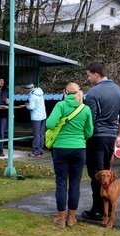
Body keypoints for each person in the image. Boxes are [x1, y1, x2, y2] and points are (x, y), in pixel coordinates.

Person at [81, 61, 120, 222]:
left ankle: (98, 209)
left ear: (96, 74)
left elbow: (91, 119)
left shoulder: (93, 93)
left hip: (96, 137)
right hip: (110, 137)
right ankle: (105, 206)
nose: (88, 78)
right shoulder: (119, 90)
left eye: (88, 75)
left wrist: (85, 136)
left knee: (97, 175)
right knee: (106, 173)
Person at [46, 83, 93, 227]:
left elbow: (49, 124)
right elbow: (89, 132)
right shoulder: (85, 109)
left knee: (61, 183)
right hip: (79, 149)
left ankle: (61, 219)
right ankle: (72, 218)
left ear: (65, 92)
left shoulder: (60, 105)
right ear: (78, 92)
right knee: (75, 184)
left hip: (60, 148)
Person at [25, 82, 47, 158]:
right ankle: (40, 150)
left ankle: (36, 152)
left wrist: (26, 105)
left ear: (28, 90)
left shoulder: (32, 96)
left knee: (36, 134)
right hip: (43, 116)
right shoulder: (40, 92)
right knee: (41, 134)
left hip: (36, 118)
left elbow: (32, 107)